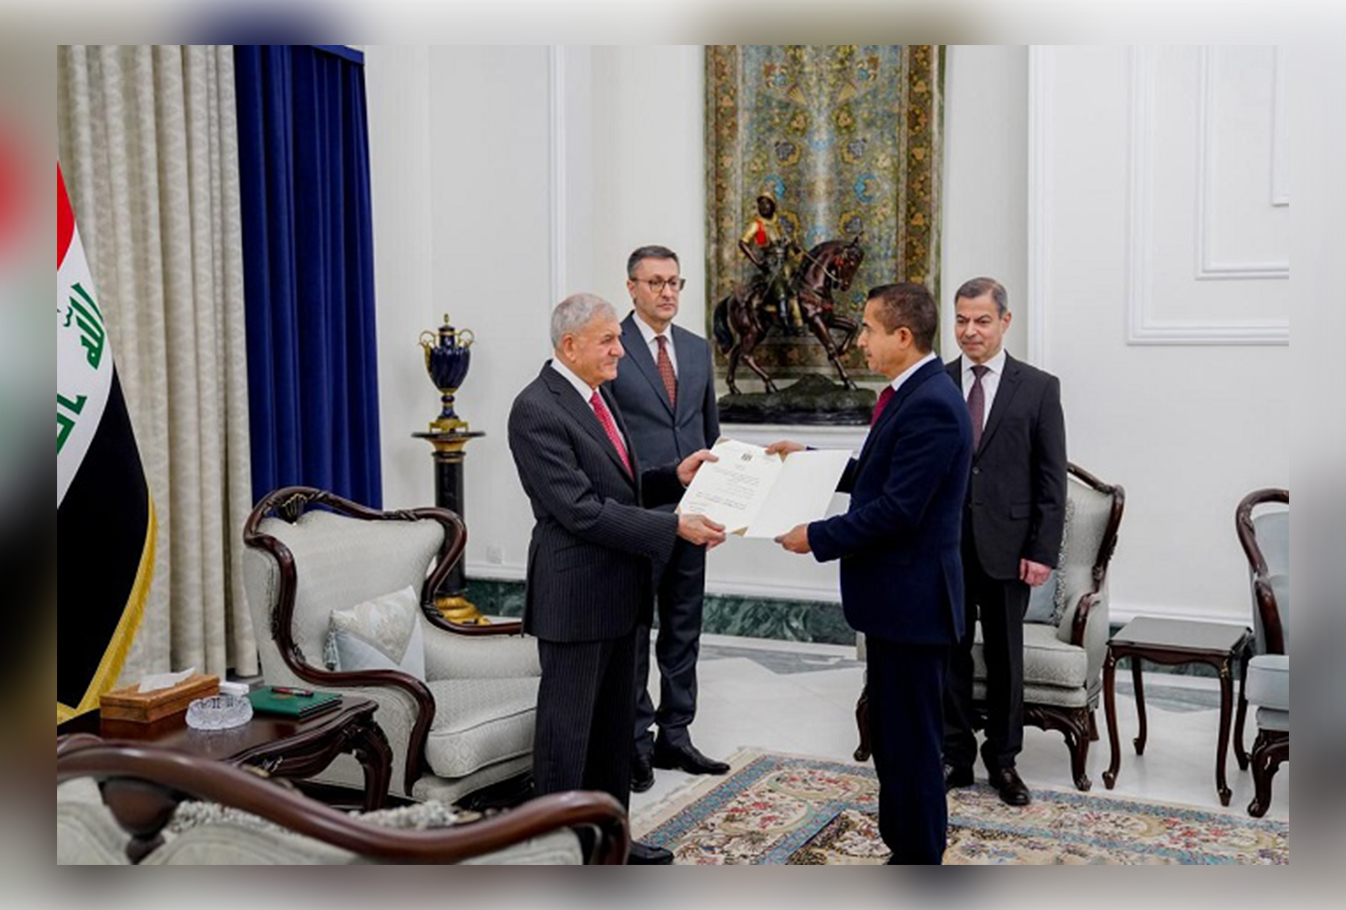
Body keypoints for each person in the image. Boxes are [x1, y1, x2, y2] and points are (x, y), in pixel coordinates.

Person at [507, 293, 726, 864]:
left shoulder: (599, 396)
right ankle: (555, 854)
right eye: (607, 340)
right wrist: (674, 526)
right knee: (567, 740)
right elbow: (579, 510)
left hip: (622, 591)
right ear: (569, 345)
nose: (619, 350)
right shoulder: (536, 408)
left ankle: (611, 844)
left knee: (612, 736)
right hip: (576, 596)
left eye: (617, 339)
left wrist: (673, 477)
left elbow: (620, 487)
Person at [771, 282, 971, 864]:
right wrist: (809, 459)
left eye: (867, 329)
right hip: (895, 605)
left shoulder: (932, 404)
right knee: (891, 736)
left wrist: (817, 536)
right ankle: (903, 848)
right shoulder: (913, 393)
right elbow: (879, 476)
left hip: (915, 606)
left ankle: (920, 860)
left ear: (902, 337)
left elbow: (899, 510)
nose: (859, 340)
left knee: (913, 746)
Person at [607, 245, 730, 792]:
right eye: (655, 282)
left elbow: (708, 436)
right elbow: (606, 438)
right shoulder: (613, 346)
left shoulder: (697, 350)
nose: (667, 292)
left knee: (684, 629)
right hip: (638, 516)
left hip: (694, 517)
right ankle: (634, 742)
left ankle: (675, 735)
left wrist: (719, 506)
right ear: (631, 287)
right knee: (635, 633)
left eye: (674, 282)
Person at [941, 277, 1067, 807]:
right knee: (949, 653)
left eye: (982, 320)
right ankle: (955, 755)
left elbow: (1051, 478)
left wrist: (1041, 551)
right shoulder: (937, 382)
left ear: (1005, 321)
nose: (970, 331)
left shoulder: (1038, 387)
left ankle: (1004, 761)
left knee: (1005, 659)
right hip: (945, 547)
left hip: (1009, 549)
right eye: (962, 320)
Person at [738, 194, 803, 332]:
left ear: (773, 206)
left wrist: (792, 245)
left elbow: (787, 244)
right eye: (761, 204)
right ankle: (785, 321)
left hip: (785, 260)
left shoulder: (778, 224)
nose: (764, 206)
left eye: (767, 203)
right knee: (779, 283)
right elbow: (743, 242)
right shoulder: (756, 224)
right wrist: (756, 261)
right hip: (771, 262)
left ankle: (799, 316)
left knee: (802, 278)